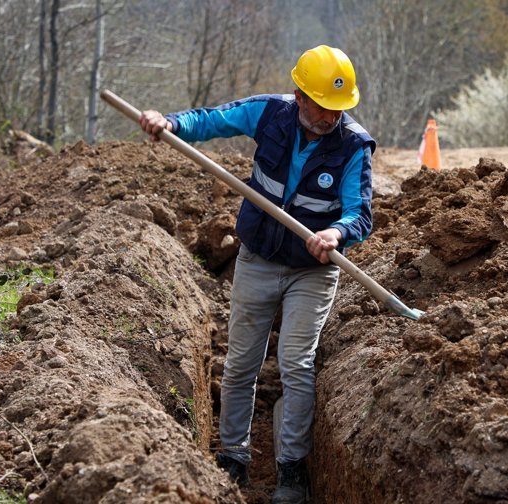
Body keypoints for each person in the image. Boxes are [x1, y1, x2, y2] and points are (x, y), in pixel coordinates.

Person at [139, 45, 374, 504]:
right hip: (258, 259)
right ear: (300, 96)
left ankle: (290, 470)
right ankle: (232, 457)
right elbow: (213, 120)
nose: (330, 118)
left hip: (312, 270)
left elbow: (360, 214)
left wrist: (335, 232)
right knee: (242, 363)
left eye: (338, 110)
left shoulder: (353, 145)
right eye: (323, 107)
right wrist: (171, 122)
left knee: (296, 364)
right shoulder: (271, 114)